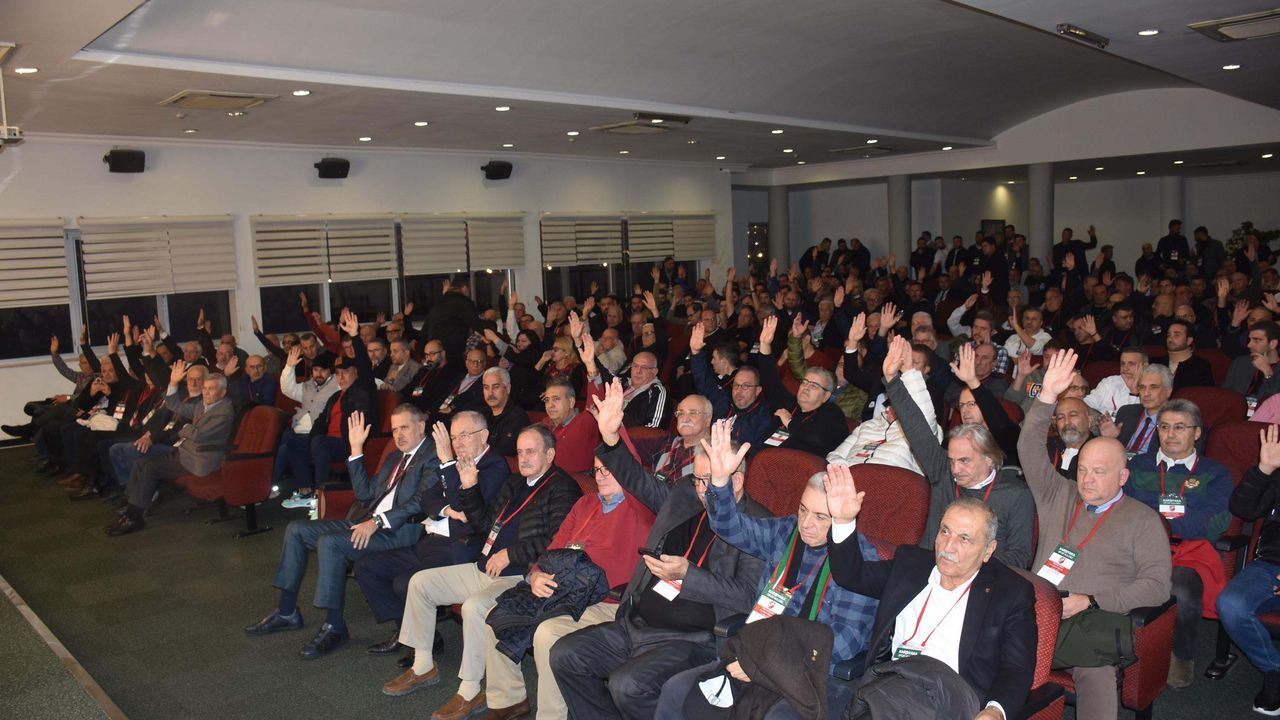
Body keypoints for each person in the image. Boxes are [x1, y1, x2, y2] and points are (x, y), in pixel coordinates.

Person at [549, 388, 769, 720]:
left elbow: (746, 596)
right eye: (697, 479)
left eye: (709, 481)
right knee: (565, 654)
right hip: (637, 623)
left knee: (627, 685)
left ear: (736, 480)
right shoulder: (686, 495)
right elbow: (638, 481)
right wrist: (611, 439)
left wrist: (688, 575)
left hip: (691, 640)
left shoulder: (757, 525)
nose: (700, 489)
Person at [653, 422, 880, 719]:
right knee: (677, 691)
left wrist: (766, 661)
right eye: (803, 509)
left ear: (842, 516)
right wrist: (719, 483)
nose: (806, 524)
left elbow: (846, 642)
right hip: (754, 653)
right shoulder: (785, 532)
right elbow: (730, 527)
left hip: (811, 674)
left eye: (821, 517)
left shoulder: (860, 560)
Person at [480, 383, 656, 720]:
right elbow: (553, 548)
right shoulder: (586, 503)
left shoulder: (639, 507)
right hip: (562, 592)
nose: (601, 476)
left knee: (548, 634)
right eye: (597, 470)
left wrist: (612, 431)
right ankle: (508, 700)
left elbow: (630, 465)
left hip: (606, 602)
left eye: (609, 469)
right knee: (498, 613)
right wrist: (535, 575)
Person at [380, 425, 580, 717]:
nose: (523, 458)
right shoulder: (514, 482)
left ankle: (470, 690)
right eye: (520, 452)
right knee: (420, 582)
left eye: (531, 452)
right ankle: (423, 665)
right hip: (486, 567)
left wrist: (510, 553)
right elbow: (484, 524)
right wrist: (470, 487)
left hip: (520, 575)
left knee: (474, 607)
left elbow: (556, 539)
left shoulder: (562, 488)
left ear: (550, 454)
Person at [1017, 349, 1172, 720]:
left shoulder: (1142, 520)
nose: (1087, 479)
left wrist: (1092, 601)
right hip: (1037, 611)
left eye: (1099, 472)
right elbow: (1027, 447)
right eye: (1083, 469)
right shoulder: (1059, 494)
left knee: (1096, 671)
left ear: (1123, 476)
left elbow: (1157, 587)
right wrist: (1047, 396)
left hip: (1090, 621)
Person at [824, 465, 1037, 720]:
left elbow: (1016, 668)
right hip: (889, 683)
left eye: (964, 538)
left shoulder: (1010, 593)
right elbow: (851, 575)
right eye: (945, 531)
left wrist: (994, 711)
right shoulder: (911, 565)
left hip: (949, 697)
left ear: (988, 550)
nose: (948, 546)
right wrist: (843, 521)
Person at [244, 406, 433, 658]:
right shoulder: (394, 458)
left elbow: (420, 501)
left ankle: (335, 626)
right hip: (368, 522)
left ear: (421, 426)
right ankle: (287, 611)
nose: (398, 435)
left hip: (399, 532)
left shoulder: (432, 456)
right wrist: (356, 450)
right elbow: (365, 495)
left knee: (330, 543)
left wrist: (378, 521)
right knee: (296, 529)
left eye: (405, 428)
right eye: (395, 429)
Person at [353, 411, 507, 665]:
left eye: (464, 435)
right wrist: (447, 510)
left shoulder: (495, 465)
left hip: (458, 548)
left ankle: (421, 645)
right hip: (430, 542)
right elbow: (428, 497)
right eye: (453, 437)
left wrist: (446, 464)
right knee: (367, 566)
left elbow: (466, 506)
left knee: (404, 583)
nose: (457, 443)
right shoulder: (457, 462)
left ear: (484, 436)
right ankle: (413, 633)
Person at [883, 336, 1034, 569]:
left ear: (989, 459)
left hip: (978, 581)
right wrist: (892, 379)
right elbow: (917, 429)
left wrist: (969, 570)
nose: (955, 469)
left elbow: (1019, 558)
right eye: (952, 460)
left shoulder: (1016, 495)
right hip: (926, 571)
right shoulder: (943, 472)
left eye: (965, 461)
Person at [1121, 398, 1233, 687]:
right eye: (1164, 427)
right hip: (1137, 545)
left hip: (1188, 551)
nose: (1170, 434)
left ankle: (1181, 658)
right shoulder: (1138, 465)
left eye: (1180, 427)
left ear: (1197, 433)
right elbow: (1124, 509)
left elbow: (1214, 523)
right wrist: (1179, 515)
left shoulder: (1215, 472)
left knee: (1181, 588)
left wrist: (1154, 514)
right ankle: (1118, 649)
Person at [106, 361, 235, 536]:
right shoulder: (203, 405)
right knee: (141, 462)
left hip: (199, 460)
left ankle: (134, 517)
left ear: (223, 392)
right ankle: (131, 504)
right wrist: (173, 383)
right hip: (184, 452)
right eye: (205, 388)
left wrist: (184, 429)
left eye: (211, 389)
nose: (205, 392)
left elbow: (198, 435)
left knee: (151, 468)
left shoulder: (223, 411)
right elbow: (175, 406)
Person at [1216, 424, 1280, 715]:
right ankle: (1274, 669)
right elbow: (1242, 509)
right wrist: (1264, 469)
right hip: (1270, 565)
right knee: (1231, 604)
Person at [753, 315, 848, 457]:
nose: (806, 387)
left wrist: (789, 422)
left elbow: (816, 437)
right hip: (766, 460)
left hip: (801, 468)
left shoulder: (832, 413)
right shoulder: (790, 405)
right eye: (804, 382)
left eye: (814, 385)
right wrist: (765, 345)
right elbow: (770, 381)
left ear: (826, 395)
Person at [690, 323, 772, 447]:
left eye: (746, 386)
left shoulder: (762, 415)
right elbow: (704, 381)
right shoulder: (724, 401)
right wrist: (696, 353)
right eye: (736, 385)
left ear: (758, 390)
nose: (739, 390)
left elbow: (759, 452)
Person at [1101, 364, 1172, 456]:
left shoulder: (1175, 421)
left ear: (1168, 391)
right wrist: (1113, 438)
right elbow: (1117, 452)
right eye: (1142, 387)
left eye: (1153, 387)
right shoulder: (1126, 412)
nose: (1146, 393)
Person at [539, 377, 600, 474]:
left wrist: (592, 373)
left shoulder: (586, 422)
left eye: (556, 399)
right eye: (547, 400)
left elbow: (596, 399)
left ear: (571, 402)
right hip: (548, 478)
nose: (550, 405)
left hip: (579, 481)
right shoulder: (544, 424)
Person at [1222, 321, 1280, 411]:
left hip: (1265, 417)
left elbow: (1275, 404)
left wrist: (1268, 373)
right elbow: (1224, 395)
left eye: (1256, 340)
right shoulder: (1241, 362)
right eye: (1249, 340)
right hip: (1236, 413)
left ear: (1273, 344)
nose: (1249, 345)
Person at [480, 366, 529, 457]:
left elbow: (503, 452)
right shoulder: (480, 415)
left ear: (508, 388)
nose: (490, 393)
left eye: (495, 387)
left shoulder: (518, 418)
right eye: (486, 387)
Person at [1082, 347, 1146, 415]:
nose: (1125, 368)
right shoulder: (1110, 382)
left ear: (1144, 366)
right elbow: (1087, 403)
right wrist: (1099, 416)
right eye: (1122, 363)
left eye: (1131, 364)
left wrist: (1134, 391)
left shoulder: (1151, 387)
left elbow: (1136, 417)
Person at [1159, 319, 1215, 390]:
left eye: (1176, 335)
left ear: (1189, 340)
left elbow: (1204, 393)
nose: (1170, 339)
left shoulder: (1201, 366)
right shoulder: (1158, 363)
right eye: (1168, 335)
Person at [1048, 397, 1094, 478]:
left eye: (1073, 415)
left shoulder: (1100, 452)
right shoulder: (1045, 448)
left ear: (1089, 420)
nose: (1066, 422)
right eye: (1060, 417)